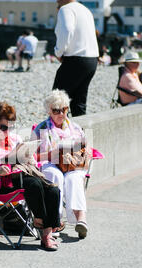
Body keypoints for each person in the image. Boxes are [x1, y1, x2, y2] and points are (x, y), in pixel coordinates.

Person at [0, 102, 61, 251]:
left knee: (53, 190)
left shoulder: (15, 139)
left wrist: (28, 155)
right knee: (34, 185)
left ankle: (47, 234)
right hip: (1, 183)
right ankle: (39, 221)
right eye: (4, 128)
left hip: (22, 174)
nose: (8, 132)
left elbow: (30, 159)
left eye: (11, 127)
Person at [31, 90, 90, 239]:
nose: (60, 114)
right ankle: (54, 221)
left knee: (74, 178)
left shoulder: (76, 128)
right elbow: (31, 156)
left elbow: (87, 150)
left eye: (63, 109)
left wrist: (82, 159)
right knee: (54, 175)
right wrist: (50, 155)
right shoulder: (41, 129)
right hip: (49, 163)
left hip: (72, 165)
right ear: (49, 110)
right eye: (56, 110)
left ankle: (81, 219)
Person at [52, 0, 99, 117]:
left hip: (76, 59)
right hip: (91, 59)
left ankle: (59, 133)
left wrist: (58, 52)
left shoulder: (66, 9)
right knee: (79, 103)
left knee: (57, 101)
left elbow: (67, 30)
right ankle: (82, 133)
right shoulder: (86, 10)